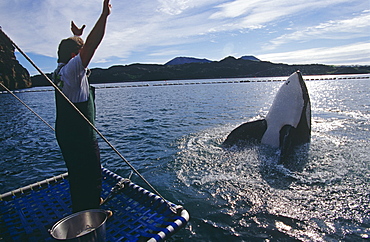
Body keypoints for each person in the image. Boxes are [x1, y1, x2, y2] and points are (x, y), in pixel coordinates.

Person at [53, 0, 111, 213]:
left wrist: (77, 37)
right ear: (73, 57)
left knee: (77, 174)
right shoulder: (71, 71)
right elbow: (92, 45)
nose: (85, 57)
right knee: (90, 174)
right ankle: (89, 216)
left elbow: (77, 49)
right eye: (80, 52)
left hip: (66, 133)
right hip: (80, 135)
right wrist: (104, 15)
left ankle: (84, 206)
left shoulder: (59, 70)